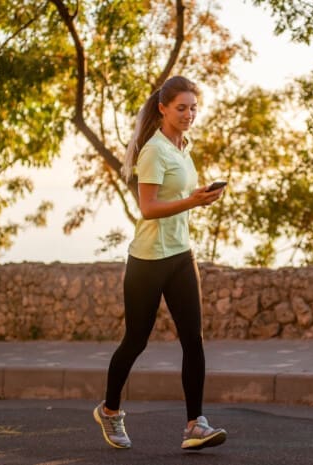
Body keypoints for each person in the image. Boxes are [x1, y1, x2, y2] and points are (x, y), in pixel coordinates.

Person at [93, 75, 227, 451]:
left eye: (193, 108)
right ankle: (109, 410)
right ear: (163, 108)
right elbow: (148, 208)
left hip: (182, 254)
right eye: (181, 108)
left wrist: (197, 196)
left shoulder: (184, 146)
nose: (189, 114)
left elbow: (177, 198)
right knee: (136, 340)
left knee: (194, 341)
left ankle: (195, 425)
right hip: (148, 260)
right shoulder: (153, 150)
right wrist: (193, 202)